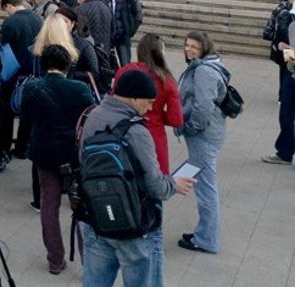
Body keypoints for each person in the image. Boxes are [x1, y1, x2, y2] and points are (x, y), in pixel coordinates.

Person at [78, 68, 194, 286]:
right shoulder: (137, 131)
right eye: (148, 102)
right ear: (133, 98)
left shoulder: (93, 116)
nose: (149, 109)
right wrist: (173, 184)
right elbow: (156, 186)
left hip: (95, 217)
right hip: (131, 226)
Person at [21, 43, 96, 275]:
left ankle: (55, 259)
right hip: (73, 155)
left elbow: (24, 117)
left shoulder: (32, 87)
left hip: (44, 153)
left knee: (48, 205)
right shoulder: (80, 89)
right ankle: (89, 263)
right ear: (67, 65)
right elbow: (90, 119)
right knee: (81, 208)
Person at [175, 31, 229, 254]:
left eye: (194, 47)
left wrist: (190, 127)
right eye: (187, 45)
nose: (188, 49)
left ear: (204, 49)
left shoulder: (204, 71)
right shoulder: (206, 66)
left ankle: (206, 239)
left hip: (203, 135)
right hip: (209, 133)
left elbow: (203, 107)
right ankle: (204, 232)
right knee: (202, 181)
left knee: (206, 188)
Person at [114, 34, 183, 172]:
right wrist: (156, 114)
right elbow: (176, 120)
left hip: (123, 131)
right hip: (154, 135)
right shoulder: (166, 80)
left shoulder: (124, 71)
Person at [0, 0, 43, 172]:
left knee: (6, 113)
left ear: (8, 6)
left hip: (13, 74)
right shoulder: (38, 18)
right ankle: (22, 148)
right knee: (27, 113)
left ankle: (4, 148)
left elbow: (4, 50)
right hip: (34, 72)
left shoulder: (10, 22)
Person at [263, 0, 295, 166]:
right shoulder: (287, 17)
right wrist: (284, 49)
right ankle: (285, 152)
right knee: (285, 115)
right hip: (291, 73)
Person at [103, 0, 143, 67]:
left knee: (125, 65)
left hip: (123, 36)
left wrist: (131, 31)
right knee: (105, 64)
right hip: (107, 35)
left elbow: (138, 15)